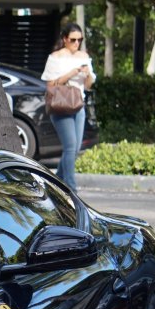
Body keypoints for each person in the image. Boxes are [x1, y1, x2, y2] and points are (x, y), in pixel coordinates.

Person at [41, 23, 95, 190]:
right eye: (73, 39)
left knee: (75, 148)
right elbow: (50, 84)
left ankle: (56, 181)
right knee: (70, 147)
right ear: (64, 39)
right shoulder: (55, 57)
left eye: (80, 39)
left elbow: (88, 86)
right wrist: (72, 73)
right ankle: (71, 187)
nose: (76, 43)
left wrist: (88, 75)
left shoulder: (84, 57)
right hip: (61, 106)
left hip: (78, 105)